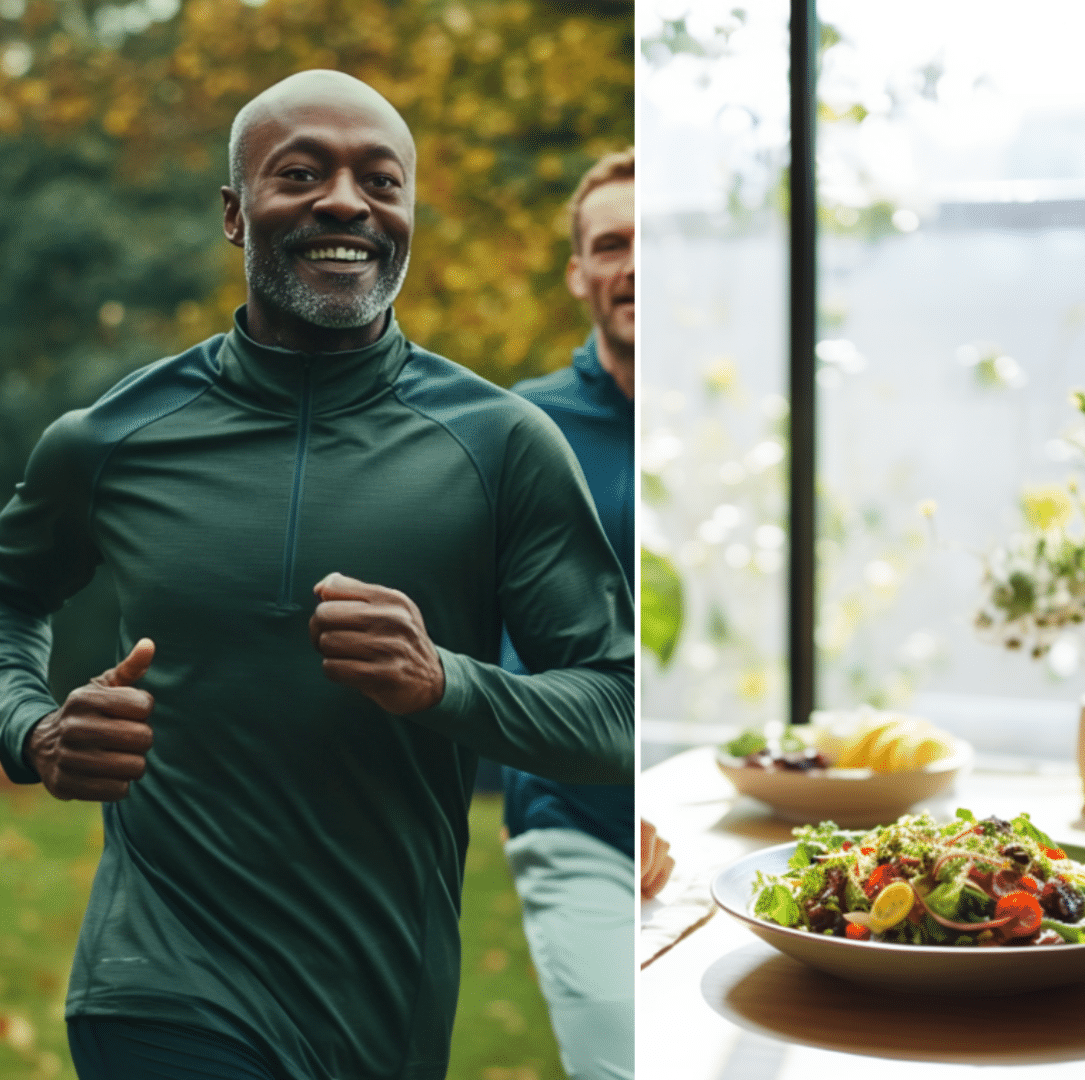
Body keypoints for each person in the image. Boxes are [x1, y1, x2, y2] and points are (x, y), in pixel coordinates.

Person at [0, 69, 633, 1080]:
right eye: (301, 173)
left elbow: (620, 710)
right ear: (233, 212)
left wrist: (446, 683)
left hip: (383, 1005)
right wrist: (32, 728)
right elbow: (11, 596)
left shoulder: (505, 446)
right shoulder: (113, 439)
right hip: (157, 984)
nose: (347, 201)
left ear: (408, 215)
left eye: (381, 182)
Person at [495, 148, 643, 1080]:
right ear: (580, 273)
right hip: (574, 820)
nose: (635, 265)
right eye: (612, 243)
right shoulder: (522, 431)